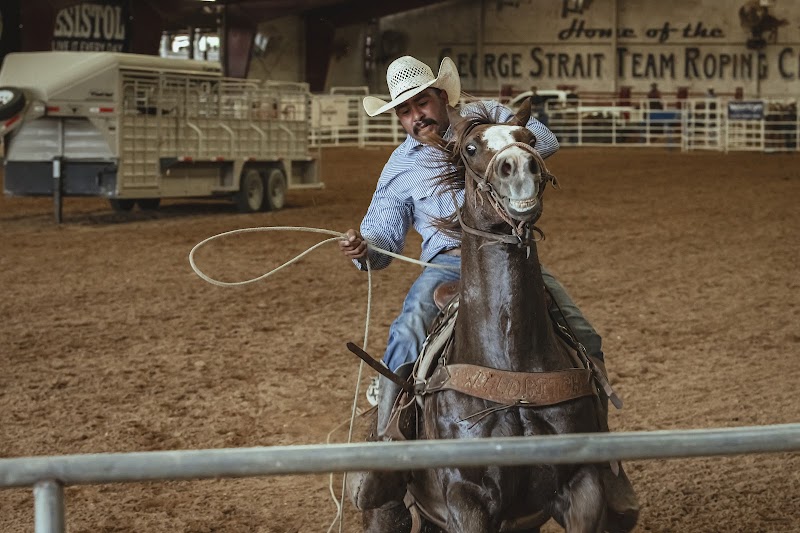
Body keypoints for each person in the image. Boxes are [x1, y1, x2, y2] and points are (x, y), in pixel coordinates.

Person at [341, 55, 638, 529]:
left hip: (513, 256)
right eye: (404, 110)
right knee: (407, 331)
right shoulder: (401, 167)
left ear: (443, 97)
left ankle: (603, 460)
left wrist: (485, 127)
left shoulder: (487, 120)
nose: (416, 116)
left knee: (584, 335)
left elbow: (547, 141)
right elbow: (382, 242)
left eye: (422, 102)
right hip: (445, 264)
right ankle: (390, 458)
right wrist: (362, 248)